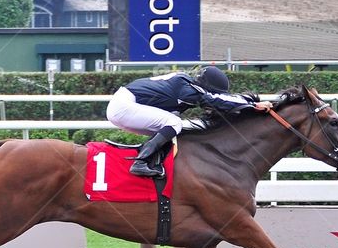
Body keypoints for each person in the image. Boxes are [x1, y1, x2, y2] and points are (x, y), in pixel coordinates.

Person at [106, 67, 273, 177]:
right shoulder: (188, 91)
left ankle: (152, 162)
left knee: (170, 126)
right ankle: (140, 162)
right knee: (173, 123)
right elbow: (215, 101)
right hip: (124, 106)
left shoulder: (185, 82)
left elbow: (218, 97)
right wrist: (253, 105)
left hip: (124, 102)